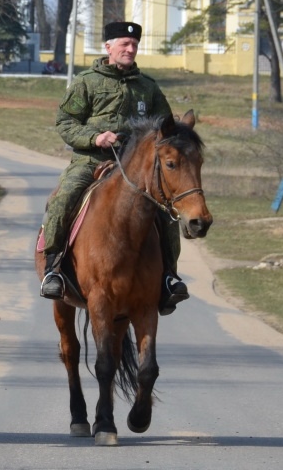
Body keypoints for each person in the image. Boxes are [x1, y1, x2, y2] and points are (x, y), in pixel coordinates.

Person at [38, 21, 189, 315]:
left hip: (136, 169)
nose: (130, 49)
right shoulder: (86, 82)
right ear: (108, 47)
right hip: (90, 160)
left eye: (134, 45)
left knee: (167, 213)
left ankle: (169, 276)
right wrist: (95, 137)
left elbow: (166, 129)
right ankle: (53, 268)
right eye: (124, 44)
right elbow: (65, 123)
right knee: (63, 198)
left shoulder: (148, 88)